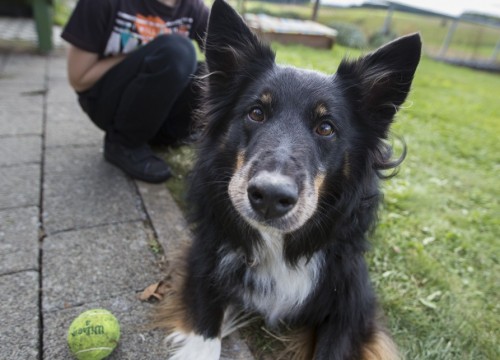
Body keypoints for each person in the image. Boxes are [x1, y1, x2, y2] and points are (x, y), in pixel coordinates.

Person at [61, 0, 210, 183]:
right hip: (108, 103)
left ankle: (169, 135)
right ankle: (124, 143)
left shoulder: (192, 7)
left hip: (160, 112)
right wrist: (146, 53)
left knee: (209, 75)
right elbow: (78, 79)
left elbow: (228, 50)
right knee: (177, 52)